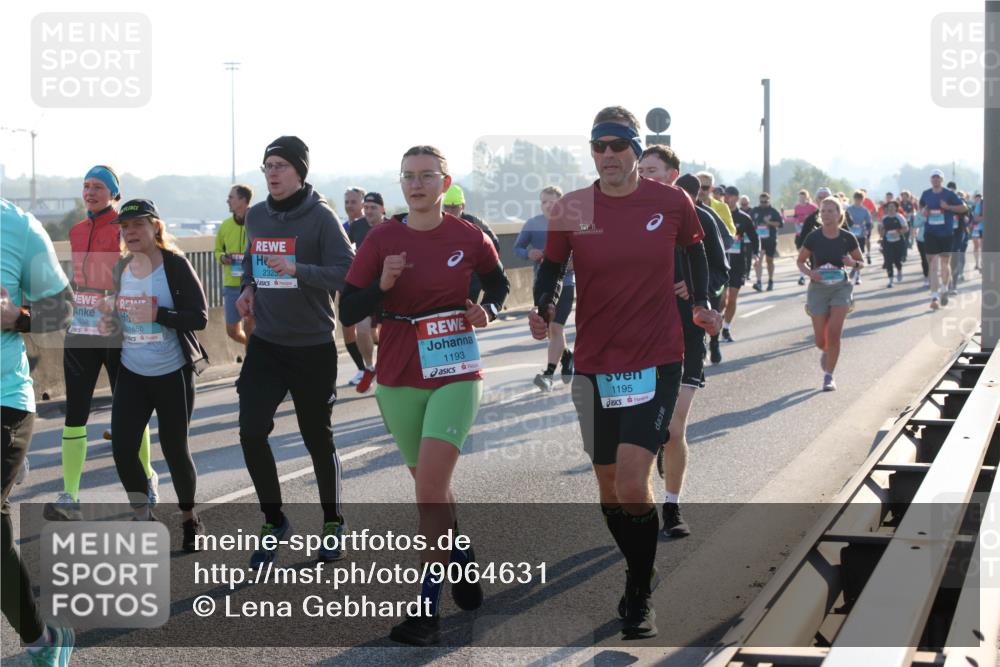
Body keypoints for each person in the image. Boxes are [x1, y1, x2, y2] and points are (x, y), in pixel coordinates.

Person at [530, 107, 721, 639]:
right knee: (610, 487)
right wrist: (543, 305)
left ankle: (638, 594)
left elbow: (696, 254)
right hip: (594, 363)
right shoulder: (572, 208)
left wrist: (702, 301)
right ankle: (643, 566)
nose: (608, 154)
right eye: (599, 146)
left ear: (637, 150)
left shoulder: (671, 202)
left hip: (657, 357)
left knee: (636, 481)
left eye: (618, 145)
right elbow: (549, 267)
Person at [341, 145, 510, 646]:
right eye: (408, 177)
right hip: (397, 374)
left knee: (429, 493)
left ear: (444, 182)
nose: (416, 184)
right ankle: (460, 557)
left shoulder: (469, 236)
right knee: (431, 489)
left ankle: (425, 609)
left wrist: (489, 312)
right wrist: (384, 284)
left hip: (455, 368)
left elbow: (498, 287)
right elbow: (348, 307)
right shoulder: (381, 238)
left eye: (426, 176)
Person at [235, 136, 355, 565]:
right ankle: (274, 519)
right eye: (267, 165)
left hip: (311, 346)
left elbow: (347, 272)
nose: (272, 172)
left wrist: (299, 270)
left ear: (300, 171)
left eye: (281, 165)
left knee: (316, 439)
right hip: (266, 343)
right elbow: (252, 260)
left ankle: (332, 520)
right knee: (251, 431)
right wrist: (248, 288)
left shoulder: (321, 217)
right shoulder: (258, 215)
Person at [45, 165, 157, 522]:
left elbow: (141, 270)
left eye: (97, 187)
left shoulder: (123, 229)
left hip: (118, 330)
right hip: (82, 329)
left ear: (113, 193)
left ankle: (146, 480)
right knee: (74, 412)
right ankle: (70, 495)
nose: (90, 192)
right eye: (86, 186)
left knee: (129, 412)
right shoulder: (77, 231)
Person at [97, 199, 208, 550]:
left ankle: (190, 519)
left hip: (171, 371)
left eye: (137, 226)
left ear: (155, 227)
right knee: (123, 448)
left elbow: (199, 317)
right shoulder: (121, 268)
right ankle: (143, 514)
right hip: (132, 371)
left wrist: (159, 313)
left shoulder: (174, 265)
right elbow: (117, 316)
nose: (130, 233)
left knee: (175, 450)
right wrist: (108, 321)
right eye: (124, 228)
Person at [1, 198, 76, 665]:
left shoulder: (17, 227)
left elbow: (62, 310)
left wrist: (19, 318)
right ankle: (42, 637)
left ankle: (40, 640)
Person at [639, 154, 728, 539]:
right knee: (646, 429)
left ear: (672, 176)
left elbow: (722, 272)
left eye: (652, 172)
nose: (644, 178)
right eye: (640, 172)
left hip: (684, 333)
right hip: (639, 335)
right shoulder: (628, 218)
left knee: (673, 428)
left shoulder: (697, 215)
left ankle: (672, 507)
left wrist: (696, 291)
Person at [796, 196, 864, 391]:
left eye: (830, 211)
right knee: (820, 340)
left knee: (834, 333)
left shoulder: (847, 237)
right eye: (823, 211)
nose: (826, 214)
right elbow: (800, 261)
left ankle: (829, 376)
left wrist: (853, 264)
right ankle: (826, 349)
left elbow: (861, 262)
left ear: (839, 214)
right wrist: (811, 273)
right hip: (818, 288)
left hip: (840, 287)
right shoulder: (814, 237)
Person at [513, 186, 575, 392]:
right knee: (551, 329)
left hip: (565, 284)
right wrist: (528, 254)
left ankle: (548, 374)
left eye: (551, 201)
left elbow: (587, 247)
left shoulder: (571, 222)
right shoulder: (533, 223)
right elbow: (517, 248)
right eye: (543, 202)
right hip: (541, 285)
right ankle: (567, 355)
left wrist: (574, 261)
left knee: (556, 328)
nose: (547, 205)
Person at [349, 192, 386, 393]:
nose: (369, 211)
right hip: (364, 287)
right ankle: (369, 367)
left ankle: (385, 367)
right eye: (367, 207)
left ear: (383, 209)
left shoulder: (392, 227)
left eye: (373, 207)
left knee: (384, 332)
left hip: (389, 288)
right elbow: (342, 247)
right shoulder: (357, 227)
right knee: (361, 329)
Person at [442, 184, 502, 304]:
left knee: (467, 303)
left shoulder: (475, 223)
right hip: (449, 273)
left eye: (453, 207)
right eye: (446, 207)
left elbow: (494, 244)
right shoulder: (439, 223)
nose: (449, 211)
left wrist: (483, 265)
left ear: (462, 206)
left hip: (472, 273)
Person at [919, 169, 968, 310]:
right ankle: (934, 297)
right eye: (933, 177)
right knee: (932, 264)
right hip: (930, 233)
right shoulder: (926, 194)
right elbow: (921, 207)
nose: (935, 180)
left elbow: (963, 207)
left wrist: (948, 207)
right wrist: (923, 211)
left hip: (946, 233)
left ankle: (944, 288)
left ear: (942, 179)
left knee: (944, 263)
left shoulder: (949, 194)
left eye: (938, 178)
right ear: (930, 180)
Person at [215, 184, 255, 350]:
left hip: (252, 285)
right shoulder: (225, 225)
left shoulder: (257, 221)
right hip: (231, 284)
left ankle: (252, 363)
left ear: (243, 200)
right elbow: (217, 250)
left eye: (231, 197)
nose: (227, 201)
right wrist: (223, 258)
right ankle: (257, 351)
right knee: (232, 331)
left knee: (250, 327)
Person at [721, 186, 759, 341]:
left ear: (735, 198)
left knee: (732, 299)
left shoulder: (744, 218)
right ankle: (716, 324)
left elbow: (755, 237)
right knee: (722, 300)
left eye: (728, 196)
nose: (725, 198)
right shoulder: (718, 215)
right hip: (721, 262)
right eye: (724, 196)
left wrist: (756, 255)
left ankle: (726, 328)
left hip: (737, 263)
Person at [341, 187, 367, 386]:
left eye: (353, 202)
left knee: (369, 332)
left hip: (367, 286)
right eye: (347, 202)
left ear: (363, 204)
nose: (350, 206)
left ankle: (377, 365)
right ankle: (362, 369)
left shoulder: (370, 226)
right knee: (348, 330)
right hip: (346, 285)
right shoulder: (341, 228)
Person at [750, 192, 783, 291]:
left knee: (769, 261)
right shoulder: (755, 211)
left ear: (769, 201)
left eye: (765, 201)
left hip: (770, 239)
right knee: (758, 261)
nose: (763, 203)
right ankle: (759, 281)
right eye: (761, 201)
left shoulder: (773, 211)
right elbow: (749, 222)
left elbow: (780, 224)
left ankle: (770, 280)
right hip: (759, 240)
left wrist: (769, 223)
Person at [695, 171, 737, 237]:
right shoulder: (688, 205)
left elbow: (731, 232)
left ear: (712, 188)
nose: (700, 191)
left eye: (705, 188)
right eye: (698, 186)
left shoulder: (722, 207)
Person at [879, 201, 908, 287]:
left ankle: (899, 269)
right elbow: (881, 230)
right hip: (887, 242)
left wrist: (899, 232)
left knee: (897, 260)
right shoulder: (884, 218)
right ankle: (890, 280)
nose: (891, 208)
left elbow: (906, 228)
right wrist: (882, 232)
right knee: (888, 261)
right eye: (889, 207)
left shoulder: (899, 217)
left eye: (892, 206)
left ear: (896, 208)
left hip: (898, 241)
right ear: (887, 208)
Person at [792, 190, 818, 285]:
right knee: (801, 255)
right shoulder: (797, 207)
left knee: (811, 256)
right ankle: (803, 276)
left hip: (811, 235)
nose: (801, 199)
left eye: (803, 197)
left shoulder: (813, 207)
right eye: (800, 198)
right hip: (800, 235)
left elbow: (818, 219)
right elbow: (795, 218)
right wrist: (797, 223)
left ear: (807, 198)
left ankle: (803, 276)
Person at [971, 193, 984, 272]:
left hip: (986, 228)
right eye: (976, 198)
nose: (978, 199)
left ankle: (982, 264)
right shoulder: (978, 205)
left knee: (983, 247)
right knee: (977, 246)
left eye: (979, 198)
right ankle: (977, 263)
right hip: (978, 228)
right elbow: (975, 218)